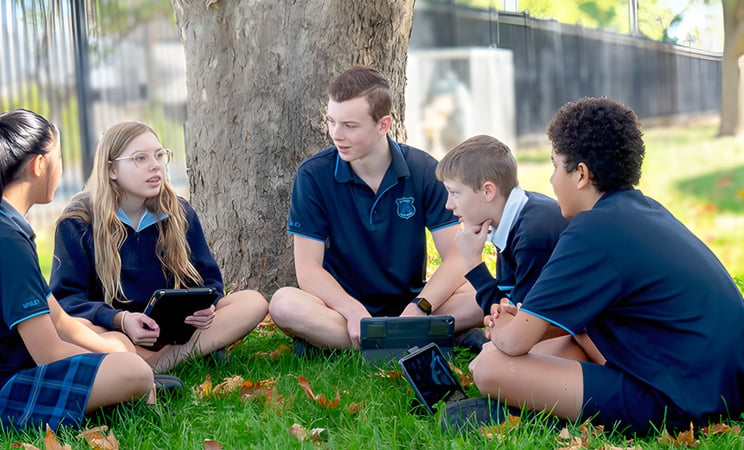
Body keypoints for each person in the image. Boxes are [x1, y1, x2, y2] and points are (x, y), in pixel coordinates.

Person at [442, 97, 744, 436]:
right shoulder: (643, 210)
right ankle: (541, 403)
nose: (552, 180)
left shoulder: (591, 231)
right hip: (718, 379)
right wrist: (521, 320)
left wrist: (500, 328)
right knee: (563, 344)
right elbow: (567, 322)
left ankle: (531, 414)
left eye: (555, 166)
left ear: (581, 174)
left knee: (489, 366)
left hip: (677, 399)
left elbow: (512, 344)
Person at [0, 110, 154, 431]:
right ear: (39, 165)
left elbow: (60, 320)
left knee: (118, 348)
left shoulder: (1, 225)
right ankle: (132, 388)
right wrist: (125, 368)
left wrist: (115, 349)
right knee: (135, 373)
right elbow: (49, 352)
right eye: (59, 157)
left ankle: (126, 384)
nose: (62, 167)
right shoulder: (1, 240)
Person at [268, 65, 483, 354]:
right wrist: (353, 310)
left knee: (485, 294)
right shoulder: (312, 175)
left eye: (350, 126)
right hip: (342, 310)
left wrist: (421, 306)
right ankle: (419, 337)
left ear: (383, 125)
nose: (336, 134)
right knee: (283, 303)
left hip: (412, 302)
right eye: (331, 121)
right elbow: (308, 270)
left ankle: (358, 342)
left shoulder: (423, 169)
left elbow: (456, 258)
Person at [49, 121, 268, 373]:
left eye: (159, 155)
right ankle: (185, 355)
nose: (155, 165)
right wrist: (120, 319)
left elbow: (209, 283)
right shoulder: (78, 222)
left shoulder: (179, 212)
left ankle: (157, 366)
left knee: (253, 302)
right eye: (140, 158)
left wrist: (205, 309)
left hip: (175, 332)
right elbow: (66, 301)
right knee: (66, 330)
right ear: (111, 170)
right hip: (116, 334)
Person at [435, 134, 568, 323]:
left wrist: (472, 262)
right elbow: (507, 306)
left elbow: (521, 324)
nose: (448, 205)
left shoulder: (532, 235)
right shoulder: (516, 215)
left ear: (488, 191)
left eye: (454, 193)